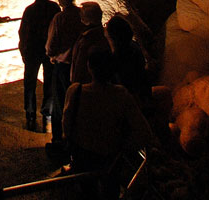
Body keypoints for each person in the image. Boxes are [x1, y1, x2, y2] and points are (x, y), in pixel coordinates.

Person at [63, 49, 153, 199]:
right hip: (111, 159)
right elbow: (143, 132)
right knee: (110, 192)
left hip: (83, 156)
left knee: (86, 191)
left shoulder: (75, 92)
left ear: (89, 67)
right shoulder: (120, 95)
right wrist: (125, 146)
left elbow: (66, 124)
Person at [45, 0, 84, 156]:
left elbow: (51, 46)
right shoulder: (81, 16)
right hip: (78, 66)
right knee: (75, 102)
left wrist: (51, 54)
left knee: (60, 103)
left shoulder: (60, 18)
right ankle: (74, 139)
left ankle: (58, 140)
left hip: (62, 66)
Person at [18, 0, 60, 131]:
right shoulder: (54, 8)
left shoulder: (30, 10)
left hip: (32, 50)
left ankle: (30, 112)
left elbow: (23, 32)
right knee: (49, 81)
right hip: (49, 51)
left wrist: (23, 49)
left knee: (30, 82)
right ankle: (47, 111)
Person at [105, 15, 151, 109]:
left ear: (112, 37)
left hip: (131, 102)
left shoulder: (118, 57)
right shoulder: (134, 46)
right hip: (143, 95)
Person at [70, 2, 111, 83]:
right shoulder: (105, 35)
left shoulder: (87, 39)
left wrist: (75, 84)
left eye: (82, 14)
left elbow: (80, 66)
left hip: (87, 83)